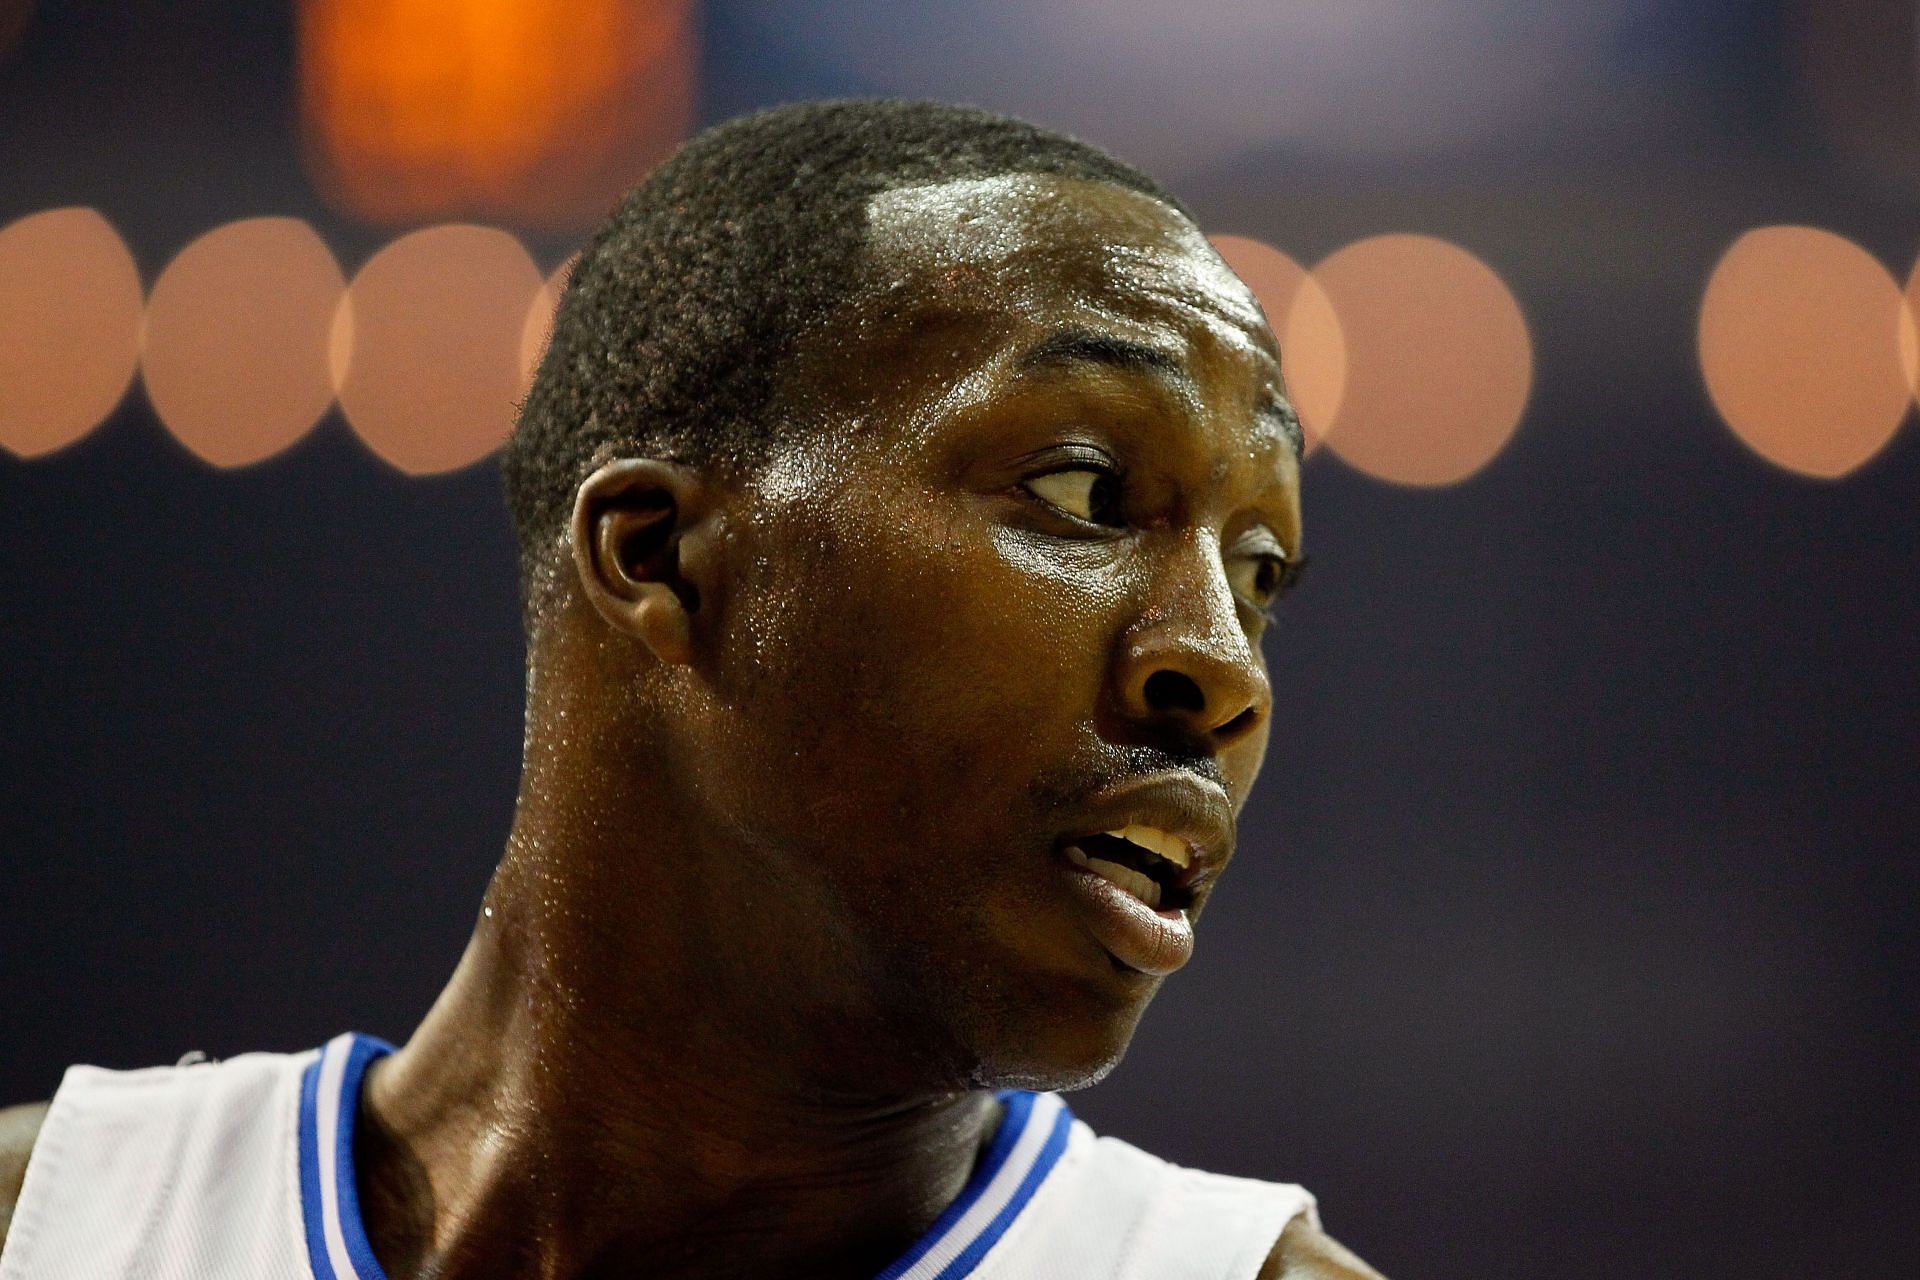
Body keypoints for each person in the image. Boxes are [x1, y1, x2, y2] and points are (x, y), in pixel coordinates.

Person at [0, 99, 1382, 1280]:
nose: (1218, 662)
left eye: (1262, 573)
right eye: (1084, 493)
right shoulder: (51, 1228)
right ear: (659, 557)